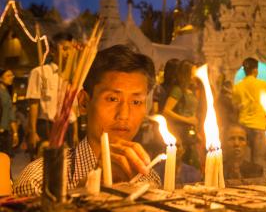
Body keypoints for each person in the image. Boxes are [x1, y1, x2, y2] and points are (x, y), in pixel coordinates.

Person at [14, 45, 160, 196]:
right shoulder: (41, 182)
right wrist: (84, 194)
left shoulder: (149, 179)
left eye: (136, 102)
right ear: (84, 102)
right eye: (112, 99)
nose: (124, 115)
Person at [26, 33, 78, 158]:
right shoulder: (40, 72)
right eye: (65, 49)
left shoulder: (74, 77)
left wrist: (75, 133)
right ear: (53, 51)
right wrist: (32, 131)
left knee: (67, 167)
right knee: (46, 167)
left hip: (68, 127)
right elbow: (34, 104)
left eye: (71, 50)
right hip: (47, 127)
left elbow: (73, 108)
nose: (68, 54)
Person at [162, 60, 205, 170]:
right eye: (193, 73)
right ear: (187, 73)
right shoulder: (178, 90)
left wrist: (196, 130)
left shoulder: (190, 90)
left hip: (190, 133)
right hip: (180, 132)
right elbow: (166, 111)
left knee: (193, 163)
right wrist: (187, 120)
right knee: (182, 163)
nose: (195, 76)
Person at [232, 57, 266, 169]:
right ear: (255, 70)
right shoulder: (264, 85)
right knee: (258, 160)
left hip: (243, 126)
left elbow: (235, 105)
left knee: (244, 160)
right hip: (259, 126)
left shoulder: (238, 86)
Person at [0, 69, 18, 156]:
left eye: (12, 75)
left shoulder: (7, 93)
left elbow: (11, 115)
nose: (11, 77)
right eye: (8, 75)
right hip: (1, 132)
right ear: (1, 78)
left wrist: (15, 133)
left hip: (6, 133)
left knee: (7, 160)